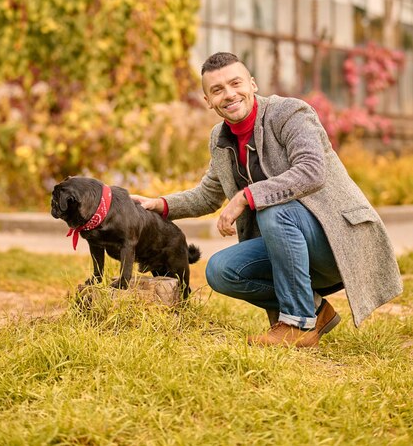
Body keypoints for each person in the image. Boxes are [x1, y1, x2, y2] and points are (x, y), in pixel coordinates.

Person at [132, 52, 402, 348]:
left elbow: (311, 171)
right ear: (208, 100)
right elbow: (208, 195)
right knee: (220, 270)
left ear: (253, 84)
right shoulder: (220, 139)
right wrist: (159, 204)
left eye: (235, 83)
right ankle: (315, 309)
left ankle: (297, 324)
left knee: (274, 209)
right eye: (217, 90)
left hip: (337, 242)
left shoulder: (289, 113)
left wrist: (247, 197)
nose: (229, 94)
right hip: (290, 248)